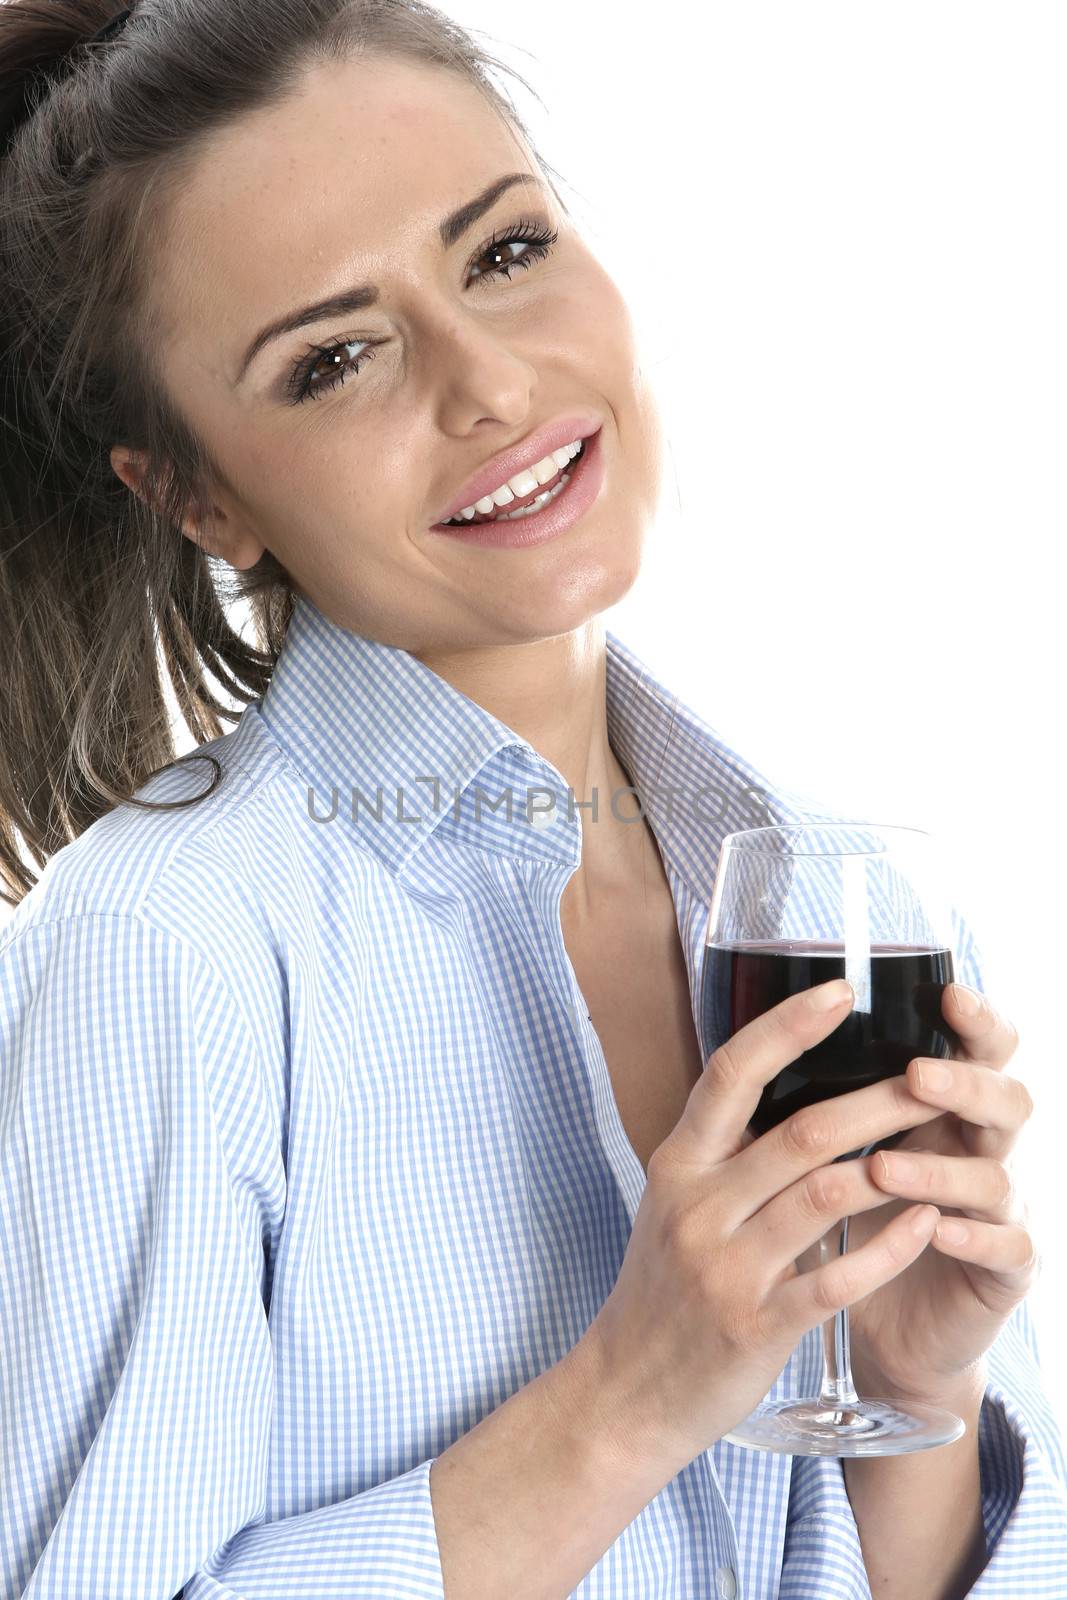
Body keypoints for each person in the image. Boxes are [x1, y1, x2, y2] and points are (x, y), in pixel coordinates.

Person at [0, 2, 1064, 1597]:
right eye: (334, 359)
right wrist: (631, 1397)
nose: (490, 383)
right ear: (199, 494)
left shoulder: (850, 901)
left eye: (503, 254)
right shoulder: (163, 951)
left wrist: (915, 1401)